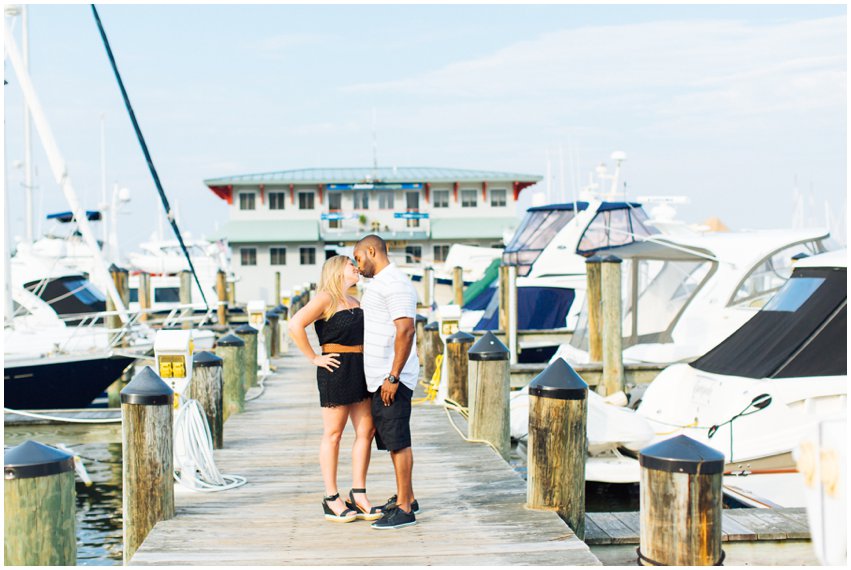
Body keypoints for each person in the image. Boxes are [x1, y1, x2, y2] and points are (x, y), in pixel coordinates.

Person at [288, 255, 383, 523]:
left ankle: (359, 493)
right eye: (350, 264)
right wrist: (314, 357)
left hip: (361, 367)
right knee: (334, 434)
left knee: (366, 430)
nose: (356, 267)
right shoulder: (325, 298)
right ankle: (331, 498)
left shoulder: (356, 300)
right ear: (337, 270)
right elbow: (295, 325)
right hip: (336, 369)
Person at [353, 235, 420, 530]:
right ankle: (408, 497)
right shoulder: (380, 283)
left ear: (371, 251)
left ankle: (405, 509)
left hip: (391, 378)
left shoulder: (394, 283)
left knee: (398, 442)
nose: (358, 265)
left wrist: (392, 377)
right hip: (380, 378)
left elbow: (406, 330)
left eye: (358, 258)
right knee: (392, 441)